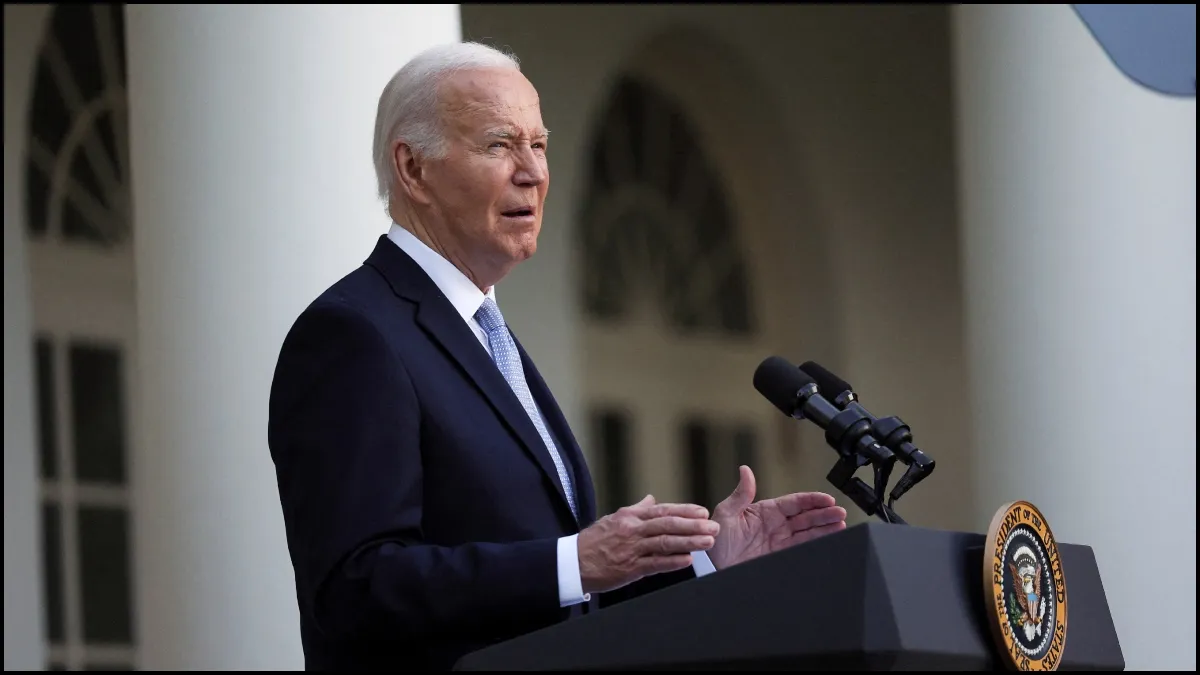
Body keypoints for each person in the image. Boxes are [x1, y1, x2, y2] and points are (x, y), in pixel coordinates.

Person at [266, 41, 848, 671]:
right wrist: (576, 560)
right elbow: (354, 589)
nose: (534, 172)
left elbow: (564, 603)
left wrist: (709, 562)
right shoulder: (356, 335)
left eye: (539, 145)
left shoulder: (484, 334)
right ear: (413, 170)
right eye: (498, 145)